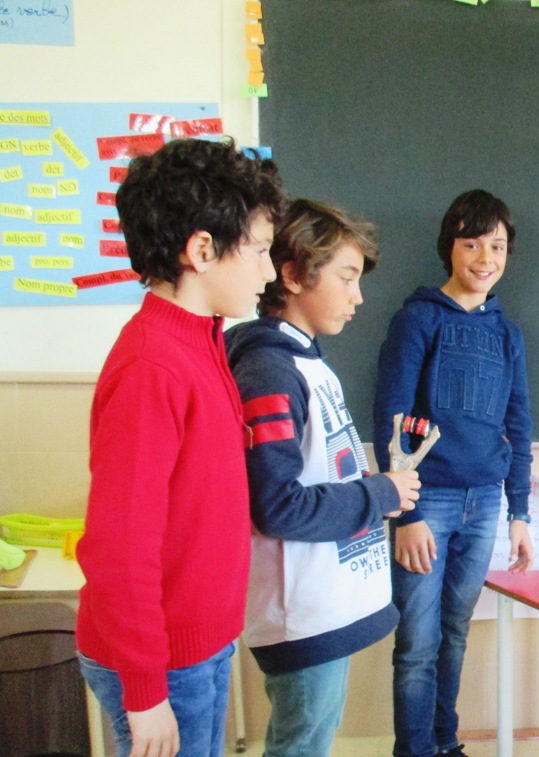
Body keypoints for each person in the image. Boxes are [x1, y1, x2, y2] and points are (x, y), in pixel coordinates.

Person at [75, 137, 287, 757]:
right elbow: (119, 545)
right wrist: (144, 693)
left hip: (197, 646)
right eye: (260, 251)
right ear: (201, 250)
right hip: (159, 662)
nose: (270, 272)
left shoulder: (203, 340)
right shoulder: (152, 366)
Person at [225, 199, 422, 755]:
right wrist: (378, 493)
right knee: (302, 743)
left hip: (325, 603)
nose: (358, 297)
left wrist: (378, 493)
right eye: (346, 278)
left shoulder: (306, 360)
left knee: (312, 735)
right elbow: (278, 505)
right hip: (302, 612)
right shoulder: (270, 369)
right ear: (292, 275)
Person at [373, 189, 535, 757]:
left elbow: (519, 424)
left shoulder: (507, 334)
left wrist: (519, 512)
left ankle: (445, 742)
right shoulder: (418, 319)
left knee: (455, 633)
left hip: (484, 501)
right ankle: (414, 750)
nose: (486, 258)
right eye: (472, 244)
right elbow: (391, 418)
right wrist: (406, 514)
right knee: (417, 644)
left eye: (498, 246)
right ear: (450, 248)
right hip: (428, 502)